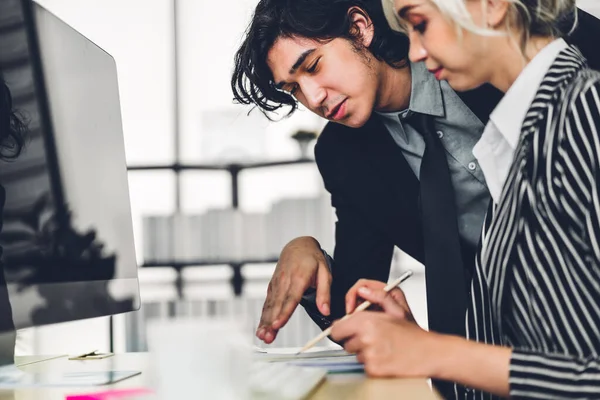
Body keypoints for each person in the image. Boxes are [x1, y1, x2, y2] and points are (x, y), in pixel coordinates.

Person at [232, 0, 600, 347]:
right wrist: (309, 262)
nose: (313, 98)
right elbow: (357, 308)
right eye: (294, 88)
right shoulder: (343, 155)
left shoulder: (487, 51)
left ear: (360, 29)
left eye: (313, 66)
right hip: (505, 346)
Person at [330, 0, 600, 398]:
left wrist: (437, 353)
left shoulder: (583, 112)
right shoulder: (519, 138)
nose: (415, 52)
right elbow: (548, 349)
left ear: (490, 5)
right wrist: (413, 342)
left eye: (420, 24)